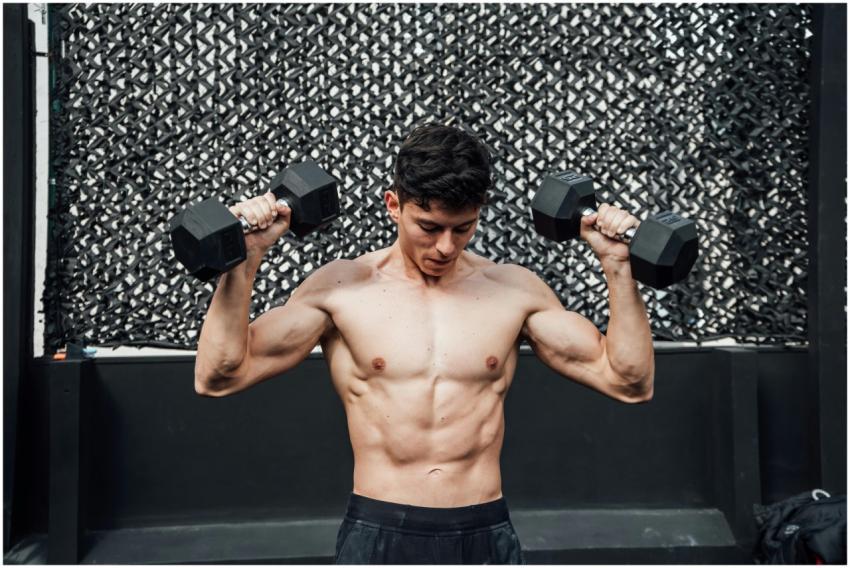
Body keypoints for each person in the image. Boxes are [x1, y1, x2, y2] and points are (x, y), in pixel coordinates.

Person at [193, 124, 654, 564]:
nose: (446, 247)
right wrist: (244, 261)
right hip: (380, 530)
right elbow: (220, 376)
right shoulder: (340, 288)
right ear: (394, 205)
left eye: (463, 228)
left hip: (484, 530)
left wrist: (616, 265)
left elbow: (628, 381)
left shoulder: (515, 291)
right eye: (429, 227)